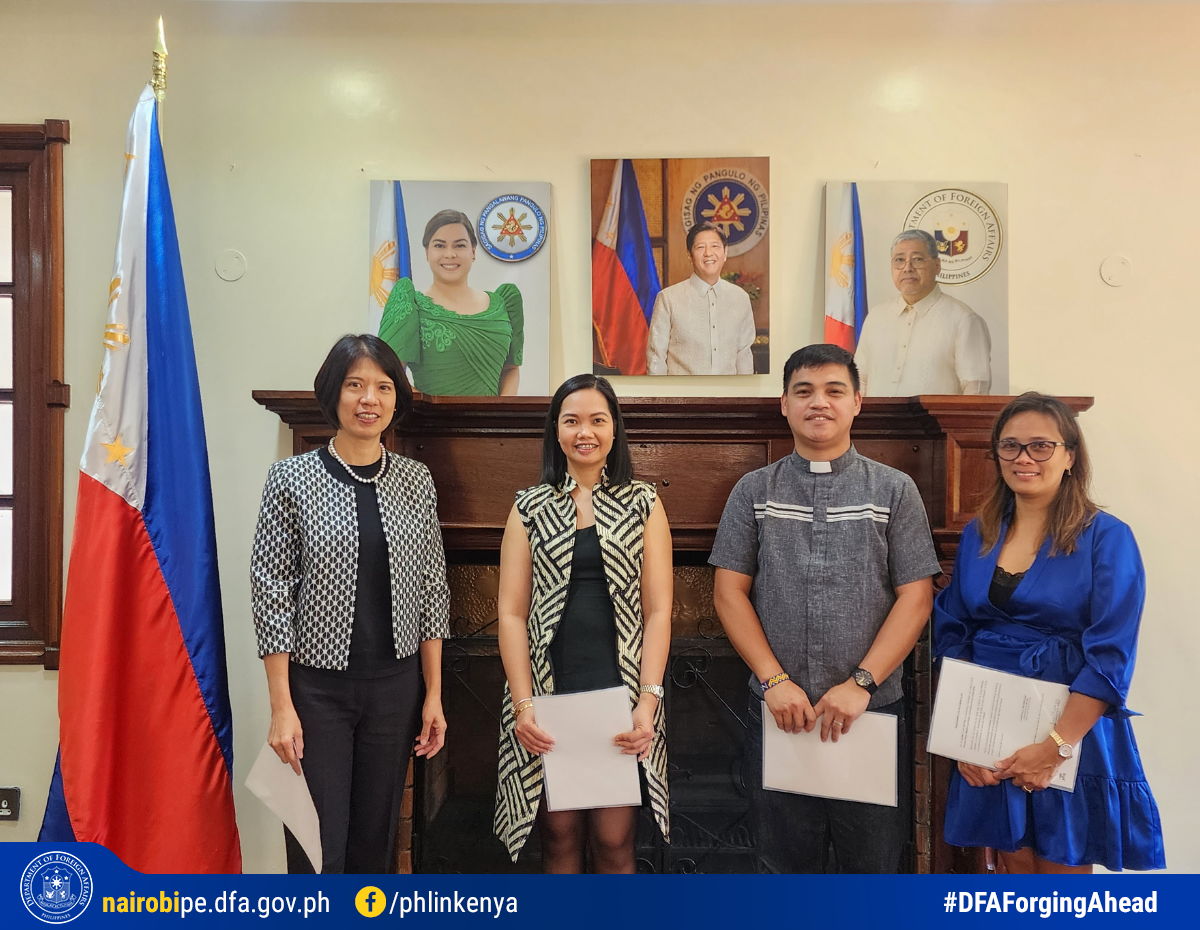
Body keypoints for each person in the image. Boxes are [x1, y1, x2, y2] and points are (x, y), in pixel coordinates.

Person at [711, 344, 940, 873]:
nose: (820, 402)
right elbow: (729, 592)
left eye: (835, 390)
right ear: (784, 404)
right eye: (804, 391)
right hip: (778, 709)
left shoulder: (894, 490)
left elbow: (917, 595)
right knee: (783, 867)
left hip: (870, 713)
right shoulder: (754, 491)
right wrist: (773, 681)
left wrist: (861, 684)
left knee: (873, 867)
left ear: (858, 402)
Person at [933, 392, 1164, 873]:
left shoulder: (1107, 536)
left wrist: (1056, 745)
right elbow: (953, 630)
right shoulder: (981, 532)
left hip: (1069, 725)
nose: (1024, 458)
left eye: (1040, 446)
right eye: (1011, 446)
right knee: (1015, 872)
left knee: (1063, 879)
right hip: (990, 721)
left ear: (1070, 455)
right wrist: (963, 741)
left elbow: (1111, 654)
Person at [250, 334, 450, 873]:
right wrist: (281, 706)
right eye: (355, 385)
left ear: (396, 399)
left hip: (394, 688)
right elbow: (270, 592)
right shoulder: (291, 478)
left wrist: (433, 695)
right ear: (333, 395)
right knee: (317, 844)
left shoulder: (415, 480)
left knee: (375, 842)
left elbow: (433, 589)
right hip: (317, 692)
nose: (370, 399)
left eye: (383, 387)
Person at [493, 374, 673, 871]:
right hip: (548, 692)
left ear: (615, 430)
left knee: (616, 840)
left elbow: (659, 610)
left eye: (597, 420)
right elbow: (510, 612)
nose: (584, 431)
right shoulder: (528, 507)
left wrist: (649, 700)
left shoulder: (643, 502)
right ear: (556, 430)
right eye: (571, 420)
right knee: (558, 834)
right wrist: (524, 704)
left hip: (623, 691)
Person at [378, 209, 523, 395]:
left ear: (473, 251)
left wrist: (499, 416)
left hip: (493, 422)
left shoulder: (505, 302)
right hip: (430, 421)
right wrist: (430, 410)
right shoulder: (410, 301)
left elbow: (510, 368)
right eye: (439, 245)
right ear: (427, 252)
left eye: (459, 245)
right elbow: (386, 374)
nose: (450, 254)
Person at [854, 229, 991, 396]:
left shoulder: (963, 319)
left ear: (937, 266)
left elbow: (975, 388)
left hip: (936, 422)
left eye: (917, 259)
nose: (907, 268)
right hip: (877, 421)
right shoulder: (876, 317)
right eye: (899, 260)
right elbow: (859, 379)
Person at [646, 222, 755, 375]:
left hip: (728, 397)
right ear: (690, 255)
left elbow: (744, 358)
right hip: (683, 396)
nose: (708, 253)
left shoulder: (740, 298)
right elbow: (656, 359)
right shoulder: (668, 299)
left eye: (715, 246)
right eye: (700, 247)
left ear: (725, 253)